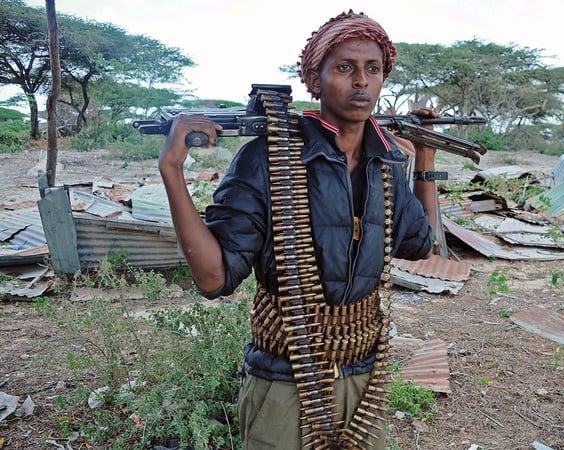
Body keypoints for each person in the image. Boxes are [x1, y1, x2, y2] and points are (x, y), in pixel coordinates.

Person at [158, 10, 439, 449]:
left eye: (373, 69)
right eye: (344, 68)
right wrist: (172, 169)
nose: (361, 82)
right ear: (315, 78)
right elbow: (214, 279)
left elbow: (422, 246)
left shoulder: (384, 164)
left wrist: (425, 158)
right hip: (284, 380)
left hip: (365, 375)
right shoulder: (267, 160)